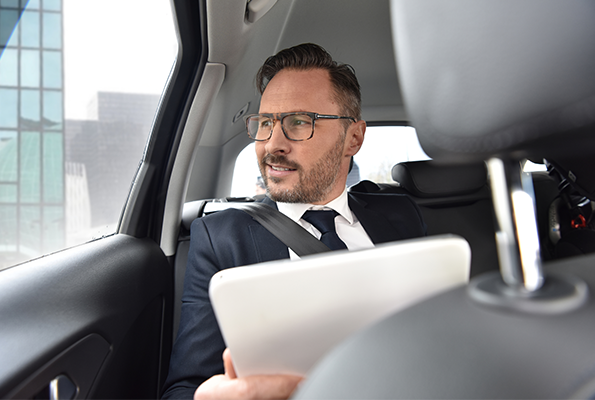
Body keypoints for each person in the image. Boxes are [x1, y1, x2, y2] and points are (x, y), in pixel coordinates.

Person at [162, 43, 426, 400]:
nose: (273, 144)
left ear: (354, 138)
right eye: (266, 123)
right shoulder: (221, 239)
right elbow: (184, 389)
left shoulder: (400, 215)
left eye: (299, 122)